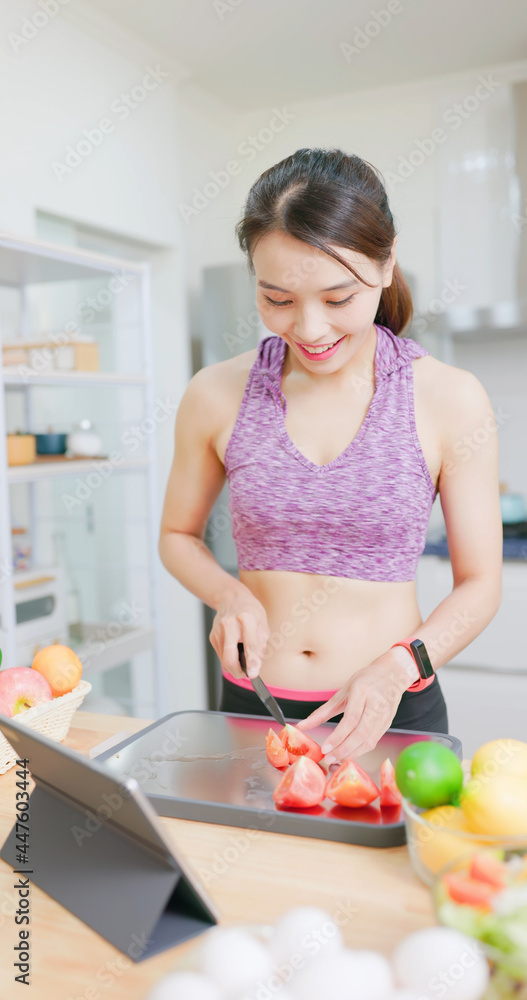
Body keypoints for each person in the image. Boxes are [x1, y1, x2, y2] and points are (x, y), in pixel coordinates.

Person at [159, 147, 502, 764]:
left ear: (387, 260)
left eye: (338, 298)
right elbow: (178, 535)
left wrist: (400, 666)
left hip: (392, 707)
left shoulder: (450, 398)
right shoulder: (216, 394)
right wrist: (230, 596)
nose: (310, 329)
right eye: (279, 300)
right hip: (252, 706)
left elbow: (480, 585)